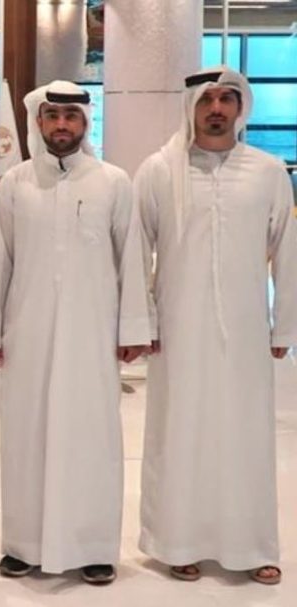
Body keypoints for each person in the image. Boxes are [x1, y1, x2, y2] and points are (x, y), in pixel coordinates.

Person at [0, 80, 150, 585]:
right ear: (38, 122)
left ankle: (93, 546)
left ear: (84, 123)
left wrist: (133, 327)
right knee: (26, 435)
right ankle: (23, 545)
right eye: (52, 116)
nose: (61, 125)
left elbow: (131, 258)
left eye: (70, 116)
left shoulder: (113, 182)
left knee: (91, 437)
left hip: (92, 334)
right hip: (27, 334)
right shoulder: (16, 184)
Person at [135, 66, 297, 586]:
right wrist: (142, 321)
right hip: (177, 331)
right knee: (180, 433)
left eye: (227, 99)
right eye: (207, 100)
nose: (217, 109)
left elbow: (287, 252)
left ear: (241, 107)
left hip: (245, 331)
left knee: (245, 437)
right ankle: (176, 541)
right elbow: (137, 251)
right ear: (191, 107)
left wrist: (284, 326)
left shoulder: (268, 172)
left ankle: (252, 545)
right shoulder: (159, 171)